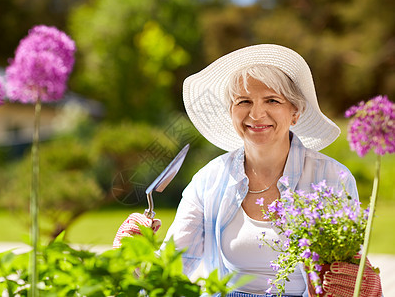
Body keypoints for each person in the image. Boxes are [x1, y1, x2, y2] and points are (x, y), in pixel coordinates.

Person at [113, 44, 382, 297]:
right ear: (231, 111)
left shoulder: (332, 178)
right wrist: (134, 253)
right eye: (243, 101)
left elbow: (349, 274)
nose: (256, 114)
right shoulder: (209, 179)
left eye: (272, 101)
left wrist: (365, 287)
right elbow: (169, 270)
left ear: (295, 112)